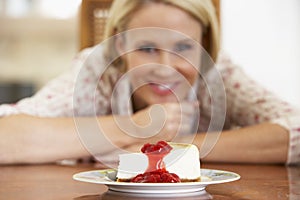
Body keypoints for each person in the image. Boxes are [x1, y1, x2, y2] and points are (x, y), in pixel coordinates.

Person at [0, 0, 299, 165]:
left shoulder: (218, 72)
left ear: (204, 44)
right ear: (119, 46)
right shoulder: (97, 71)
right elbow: (5, 136)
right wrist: (132, 126)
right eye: (146, 49)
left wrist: (172, 146)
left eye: (183, 48)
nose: (166, 69)